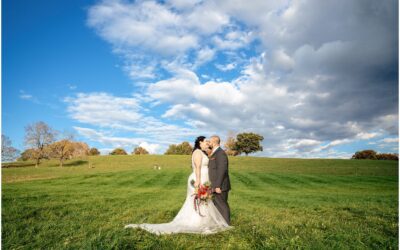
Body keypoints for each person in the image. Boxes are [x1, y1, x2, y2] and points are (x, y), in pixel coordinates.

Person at [125, 136, 232, 235]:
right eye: (206, 142)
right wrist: (198, 181)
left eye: (209, 142)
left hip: (204, 179)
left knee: (203, 202)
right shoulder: (198, 152)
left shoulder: (203, 152)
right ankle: (197, 222)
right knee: (199, 201)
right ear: (200, 142)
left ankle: (205, 220)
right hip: (198, 179)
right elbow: (197, 167)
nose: (207, 143)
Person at [208, 135, 231, 225]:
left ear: (214, 142)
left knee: (222, 205)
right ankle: (220, 223)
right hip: (214, 185)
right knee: (217, 205)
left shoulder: (220, 153)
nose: (209, 143)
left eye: (210, 142)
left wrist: (218, 186)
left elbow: (222, 170)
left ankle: (226, 224)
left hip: (220, 186)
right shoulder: (214, 153)